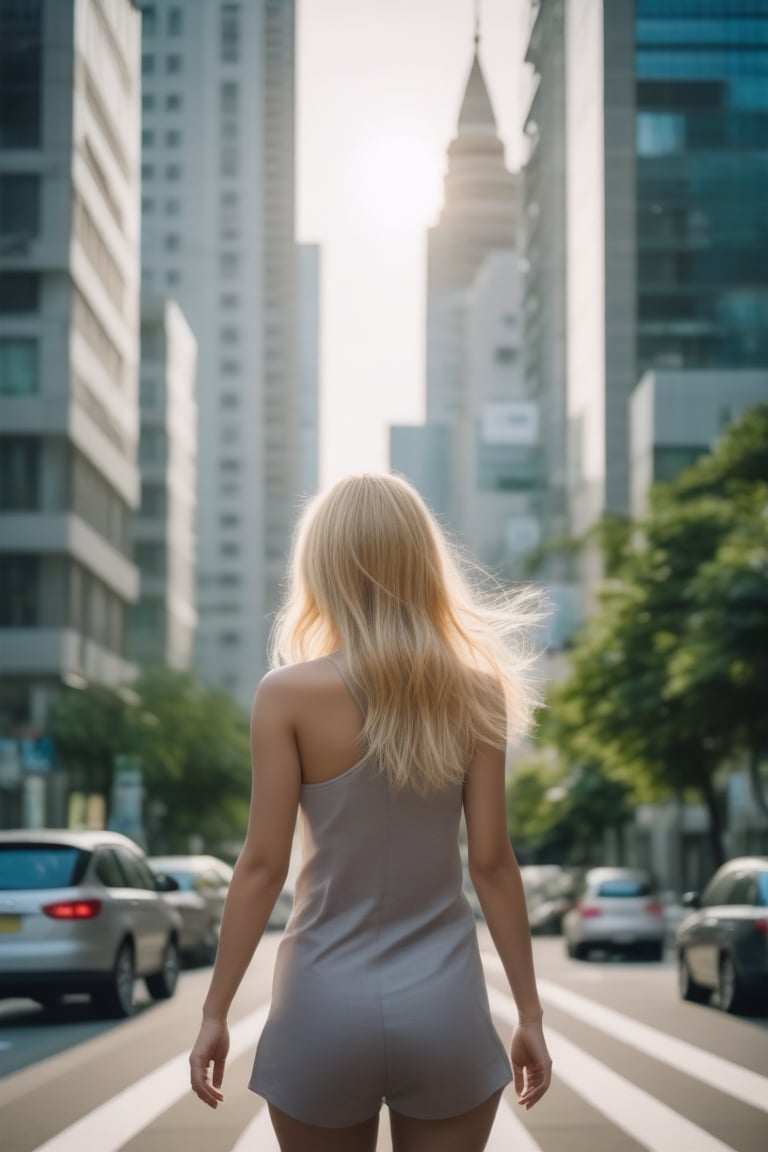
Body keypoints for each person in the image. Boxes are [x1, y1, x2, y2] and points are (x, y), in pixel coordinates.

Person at [190, 473, 552, 1152]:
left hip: (319, 1001)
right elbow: (494, 865)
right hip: (444, 1000)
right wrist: (529, 1015)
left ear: (320, 564)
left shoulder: (286, 695)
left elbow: (264, 866)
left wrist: (216, 1012)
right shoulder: (477, 693)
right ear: (422, 561)